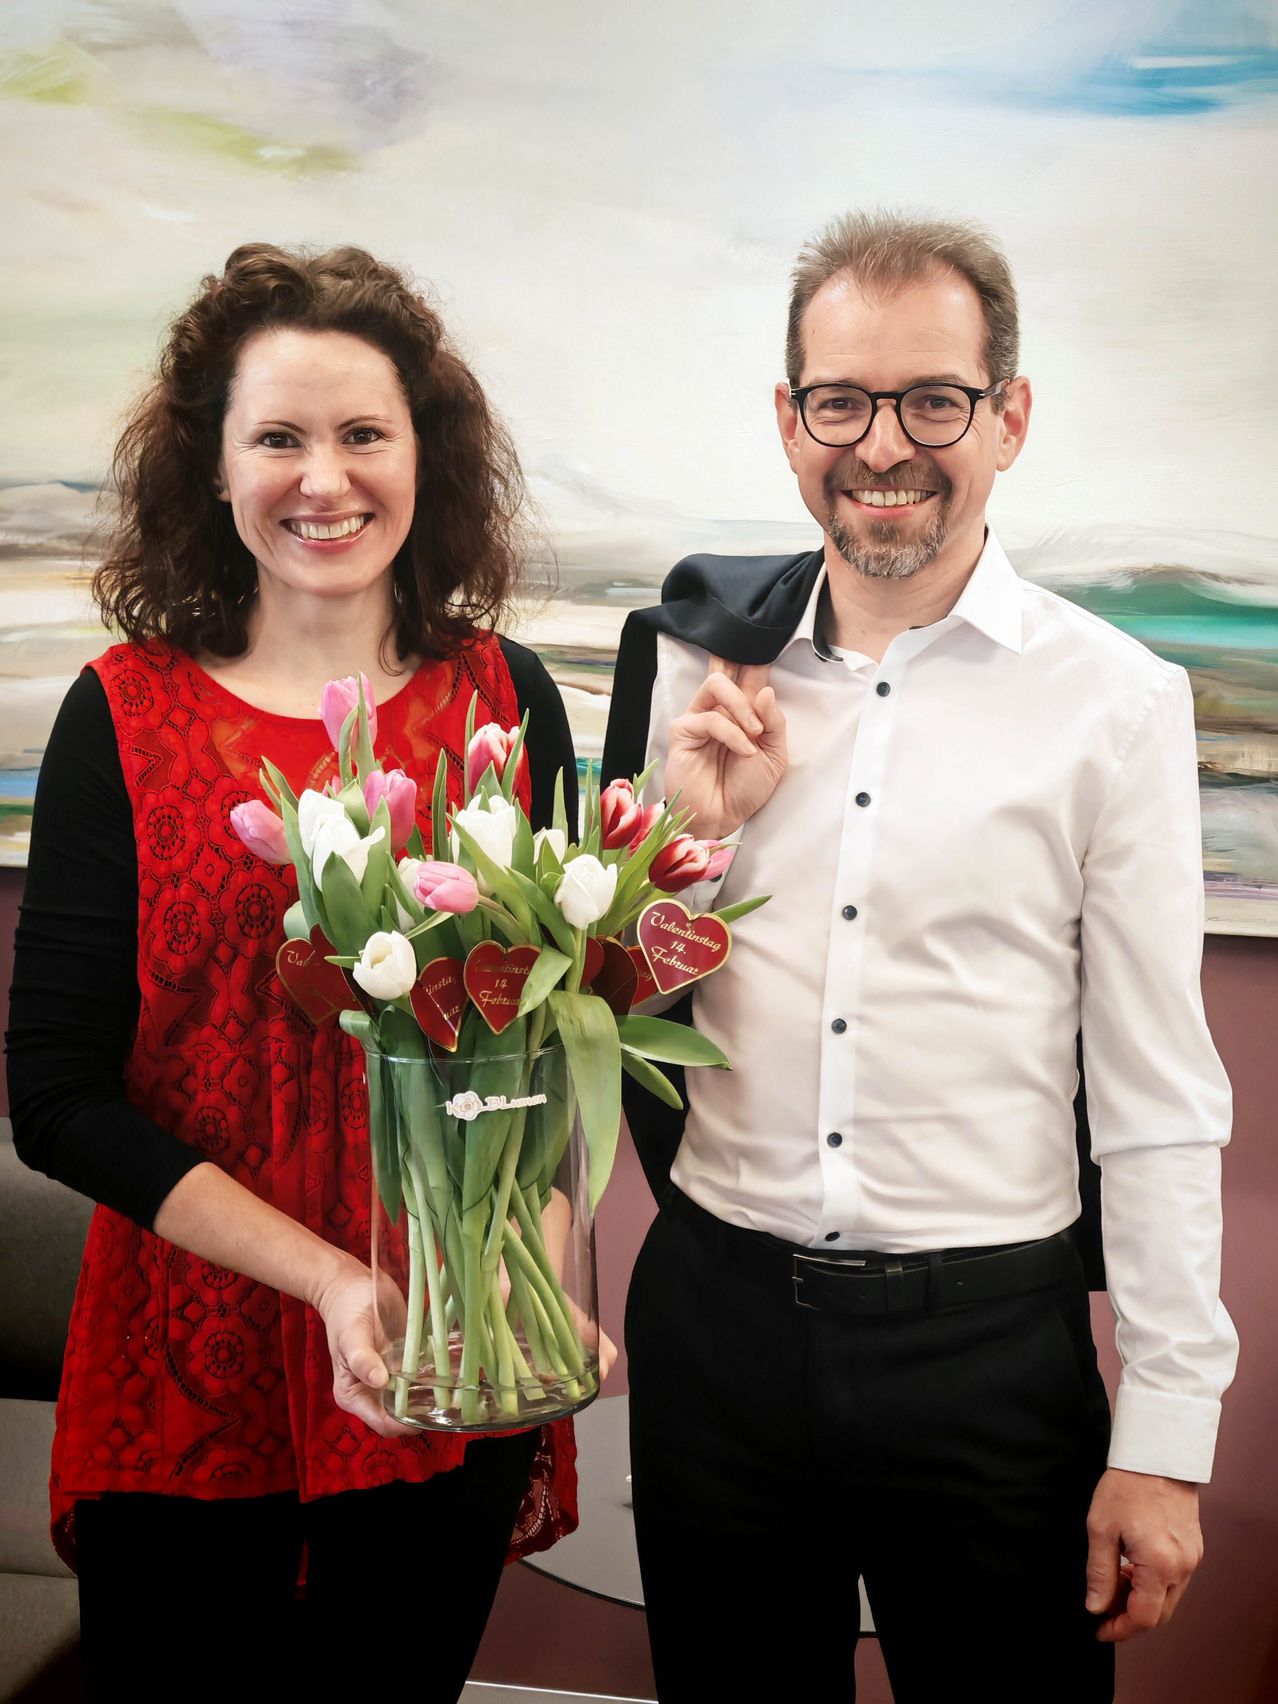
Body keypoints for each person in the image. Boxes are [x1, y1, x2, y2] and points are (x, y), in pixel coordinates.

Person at [602, 212, 1236, 1703]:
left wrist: (1165, 1437)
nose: (882, 446)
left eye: (933, 400)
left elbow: (1155, 1092)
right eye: (841, 401)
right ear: (789, 420)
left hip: (989, 1363)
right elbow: (612, 1008)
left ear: (1008, 417)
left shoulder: (1120, 704)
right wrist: (689, 842)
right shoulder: (692, 664)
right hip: (715, 1336)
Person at [6, 243, 587, 1701]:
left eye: (363, 433)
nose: (323, 479)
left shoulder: (505, 698)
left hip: (446, 1360)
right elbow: (57, 1098)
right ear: (212, 470)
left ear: (423, 457)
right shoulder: (120, 717)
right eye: (278, 438)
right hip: (188, 1363)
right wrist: (330, 1283)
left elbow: (551, 1042)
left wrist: (535, 1270)